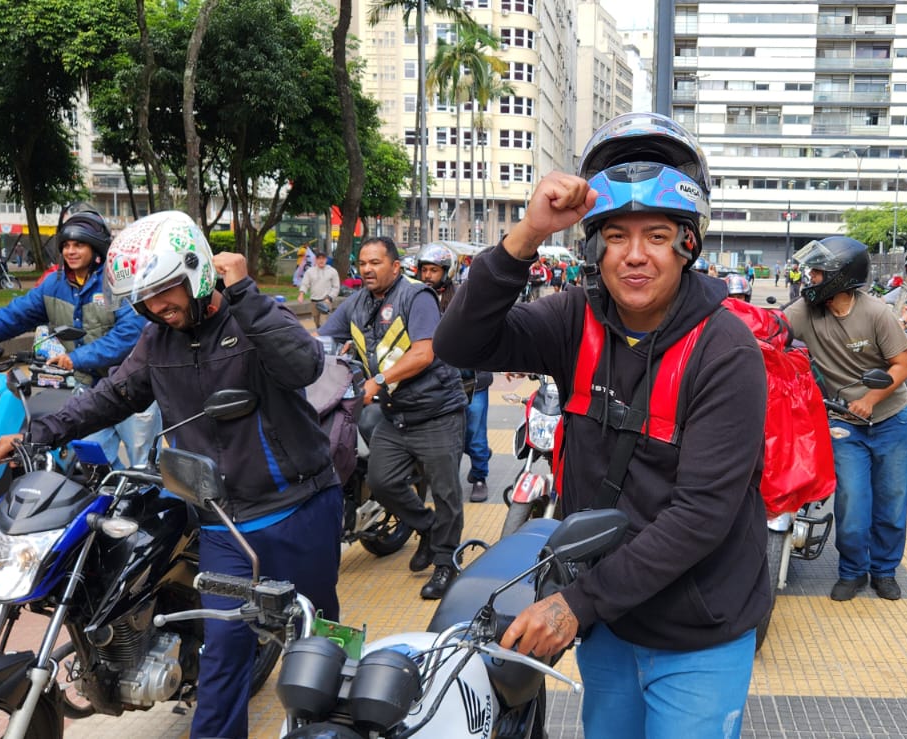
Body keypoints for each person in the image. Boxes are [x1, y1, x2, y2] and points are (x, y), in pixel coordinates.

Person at [438, 112, 768, 739]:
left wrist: (575, 604)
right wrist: (530, 232)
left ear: (687, 245)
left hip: (698, 632)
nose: (635, 256)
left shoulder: (725, 350)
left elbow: (701, 515)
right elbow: (461, 343)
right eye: (616, 236)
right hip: (610, 618)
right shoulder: (575, 319)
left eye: (657, 235)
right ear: (594, 247)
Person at [0, 210, 342, 738]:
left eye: (164, 291)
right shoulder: (157, 339)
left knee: (318, 641)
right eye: (144, 298)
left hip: (298, 507)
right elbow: (112, 396)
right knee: (223, 657)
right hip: (222, 523)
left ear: (197, 273)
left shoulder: (251, 316)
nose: (156, 307)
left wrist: (245, 293)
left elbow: (304, 365)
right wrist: (37, 433)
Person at [0, 211, 156, 467]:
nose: (71, 251)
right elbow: (12, 317)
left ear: (96, 248)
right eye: (66, 245)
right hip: (90, 389)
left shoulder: (117, 281)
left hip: (132, 385)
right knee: (92, 464)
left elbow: (129, 334)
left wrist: (76, 358)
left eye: (79, 245)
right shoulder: (54, 285)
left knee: (145, 464)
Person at [319, 236, 468, 599]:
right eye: (363, 263)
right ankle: (428, 528)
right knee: (382, 482)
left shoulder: (416, 296)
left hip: (436, 411)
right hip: (395, 413)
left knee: (446, 492)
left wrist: (378, 381)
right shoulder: (356, 303)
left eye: (376, 263)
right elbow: (320, 340)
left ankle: (446, 562)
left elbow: (424, 353)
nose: (367, 269)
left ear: (396, 266)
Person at [785, 236, 907, 602]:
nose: (810, 277)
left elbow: (902, 365)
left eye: (817, 272)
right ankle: (853, 571)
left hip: (891, 418)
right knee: (852, 503)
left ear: (840, 277)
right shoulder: (806, 310)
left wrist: (870, 400)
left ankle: (884, 571)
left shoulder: (876, 313)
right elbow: (773, 328)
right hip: (843, 422)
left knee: (891, 503)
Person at [416, 243, 494, 504]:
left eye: (434, 270)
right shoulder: (417, 298)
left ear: (446, 272)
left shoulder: (463, 297)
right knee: (447, 434)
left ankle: (480, 476)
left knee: (475, 433)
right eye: (424, 270)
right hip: (437, 381)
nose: (428, 275)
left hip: (471, 379)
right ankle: (443, 479)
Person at [297, 251, 341, 328]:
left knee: (324, 323)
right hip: (314, 301)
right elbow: (305, 284)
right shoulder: (310, 271)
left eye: (323, 258)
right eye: (319, 258)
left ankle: (324, 335)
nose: (321, 260)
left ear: (326, 259)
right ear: (316, 260)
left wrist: (330, 298)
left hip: (326, 301)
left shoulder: (332, 271)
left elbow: (336, 287)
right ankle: (320, 333)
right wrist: (301, 294)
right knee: (317, 323)